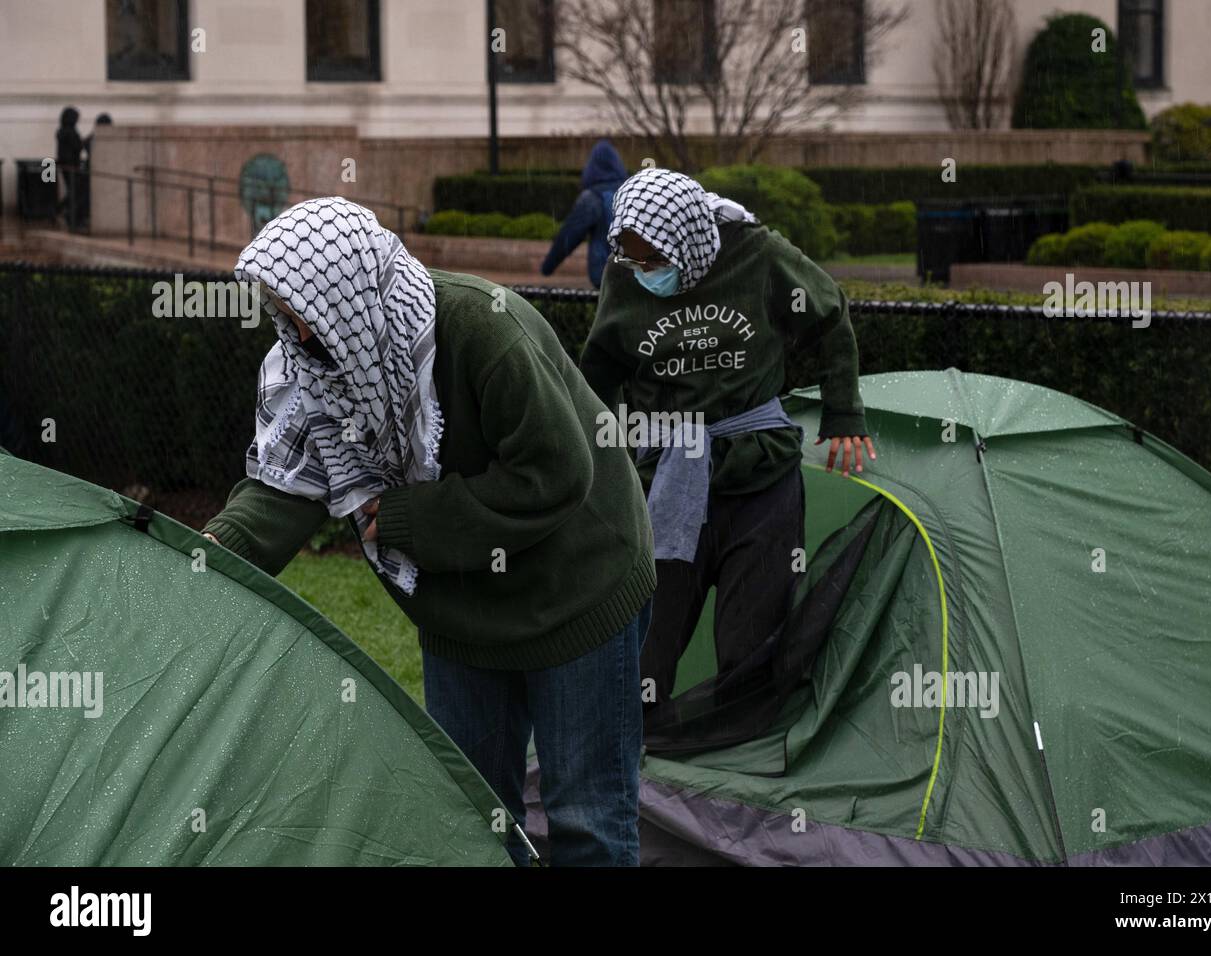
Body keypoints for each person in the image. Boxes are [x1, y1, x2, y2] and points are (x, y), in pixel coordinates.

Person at [201, 197, 655, 866]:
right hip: (463, 611)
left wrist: (411, 519)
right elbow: (286, 486)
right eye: (276, 306)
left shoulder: (480, 329)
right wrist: (211, 554)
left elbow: (555, 473)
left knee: (587, 822)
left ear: (342, 294)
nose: (286, 324)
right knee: (472, 820)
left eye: (294, 305)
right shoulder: (315, 364)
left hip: (580, 586)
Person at [579, 167, 874, 710]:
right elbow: (597, 373)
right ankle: (637, 774)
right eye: (633, 258)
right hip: (664, 481)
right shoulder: (627, 275)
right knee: (643, 651)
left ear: (686, 238)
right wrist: (596, 463)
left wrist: (844, 415)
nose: (643, 270)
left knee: (750, 650)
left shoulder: (757, 255)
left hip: (758, 479)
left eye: (654, 258)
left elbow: (829, 314)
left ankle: (741, 775)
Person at [540, 139, 627, 288]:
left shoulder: (592, 197)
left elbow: (570, 235)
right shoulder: (630, 192)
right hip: (633, 272)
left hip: (605, 273)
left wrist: (548, 266)